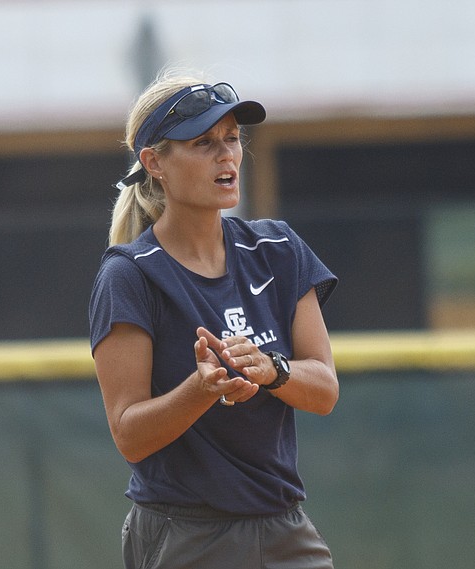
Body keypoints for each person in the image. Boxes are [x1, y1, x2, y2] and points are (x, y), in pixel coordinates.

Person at [88, 67, 339, 569]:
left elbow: (325, 388)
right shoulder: (129, 275)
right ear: (154, 162)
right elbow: (129, 435)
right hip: (185, 534)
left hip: (284, 527)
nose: (226, 155)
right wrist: (200, 390)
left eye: (232, 138)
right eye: (203, 142)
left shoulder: (278, 248)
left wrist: (273, 370)